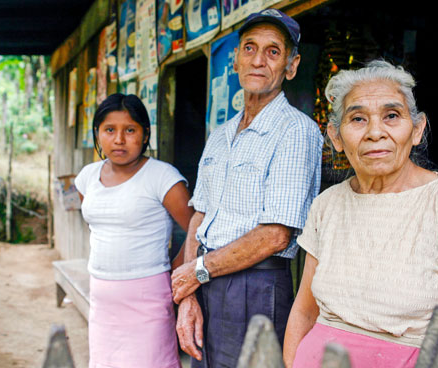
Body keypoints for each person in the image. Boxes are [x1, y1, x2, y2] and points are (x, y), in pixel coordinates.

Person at [283, 60, 438, 368]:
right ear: (336, 137)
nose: (375, 132)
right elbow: (305, 311)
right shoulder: (327, 205)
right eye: (357, 119)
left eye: (392, 116)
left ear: (416, 129)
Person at [171, 8, 324, 368]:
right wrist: (190, 294)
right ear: (235, 60)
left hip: (255, 287)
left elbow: (275, 235)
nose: (258, 60)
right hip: (207, 279)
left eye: (273, 51)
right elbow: (201, 215)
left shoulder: (296, 131)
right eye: (250, 48)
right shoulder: (221, 136)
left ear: (291, 65)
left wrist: (197, 271)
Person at [74, 93, 194, 368]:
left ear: (145, 133)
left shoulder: (163, 177)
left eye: (130, 130)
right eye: (109, 130)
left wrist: (174, 271)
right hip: (102, 297)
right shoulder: (87, 177)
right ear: (97, 133)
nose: (119, 139)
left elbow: (197, 229)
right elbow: (97, 224)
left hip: (148, 298)